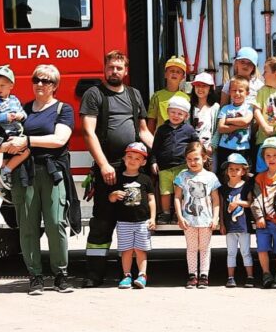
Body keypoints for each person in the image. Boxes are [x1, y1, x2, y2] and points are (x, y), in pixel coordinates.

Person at [81, 50, 153, 288]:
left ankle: (130, 273)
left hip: (132, 168)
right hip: (108, 168)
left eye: (119, 68)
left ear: (126, 71)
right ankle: (94, 274)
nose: (114, 71)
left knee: (131, 221)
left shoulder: (134, 95)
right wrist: (102, 165)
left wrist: (159, 156)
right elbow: (88, 131)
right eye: (111, 67)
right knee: (102, 223)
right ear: (105, 69)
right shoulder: (95, 94)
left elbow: (143, 131)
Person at [1, 64, 75, 295]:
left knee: (56, 224)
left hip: (53, 172)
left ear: (55, 86)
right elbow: (7, 138)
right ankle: (35, 276)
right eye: (36, 80)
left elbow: (59, 140)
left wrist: (28, 142)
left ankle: (61, 275)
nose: (40, 84)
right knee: (27, 226)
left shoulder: (64, 109)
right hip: (24, 173)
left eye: (46, 81)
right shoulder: (22, 110)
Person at [108, 142, 156, 289]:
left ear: (143, 162)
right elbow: (110, 198)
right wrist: (114, 194)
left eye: (137, 158)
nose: (133, 160)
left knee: (141, 250)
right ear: (124, 158)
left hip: (142, 221)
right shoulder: (118, 178)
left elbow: (151, 199)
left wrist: (152, 218)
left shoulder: (145, 179)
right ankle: (126, 275)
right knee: (126, 250)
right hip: (123, 221)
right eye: (129, 157)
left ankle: (142, 275)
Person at [174, 141, 220, 289]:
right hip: (189, 220)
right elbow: (177, 197)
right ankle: (192, 275)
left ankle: (204, 275)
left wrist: (215, 217)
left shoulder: (211, 177)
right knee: (192, 248)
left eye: (196, 159)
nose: (193, 162)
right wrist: (180, 217)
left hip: (206, 220)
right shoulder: (182, 176)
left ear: (204, 158)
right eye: (189, 159)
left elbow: (216, 200)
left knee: (205, 248)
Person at [152, 96, 199, 224]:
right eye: (173, 112)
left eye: (180, 113)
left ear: (186, 116)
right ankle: (166, 213)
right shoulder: (162, 129)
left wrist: (195, 161)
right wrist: (154, 161)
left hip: (182, 166)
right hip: (164, 167)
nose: (176, 115)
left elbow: (196, 144)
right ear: (167, 112)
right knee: (165, 191)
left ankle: (181, 213)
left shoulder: (188, 130)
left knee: (182, 191)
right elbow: (155, 147)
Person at [252, 136, 276, 289]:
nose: (271, 158)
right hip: (264, 221)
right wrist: (259, 217)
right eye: (268, 155)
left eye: (275, 155)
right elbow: (255, 199)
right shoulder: (259, 178)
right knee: (262, 247)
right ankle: (266, 273)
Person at [0, 64, 28, 192]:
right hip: (3, 133)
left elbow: (23, 113)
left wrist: (21, 115)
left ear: (11, 85)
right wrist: (4, 117)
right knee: (25, 151)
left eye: (2, 85)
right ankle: (6, 171)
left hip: (16, 133)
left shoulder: (14, 100)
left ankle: (1, 183)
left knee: (9, 156)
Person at [220, 152, 254, 289]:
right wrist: (221, 224)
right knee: (231, 252)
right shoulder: (223, 189)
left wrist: (238, 203)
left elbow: (250, 203)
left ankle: (250, 277)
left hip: (243, 225)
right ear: (227, 171)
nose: (233, 172)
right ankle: (230, 277)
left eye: (237, 169)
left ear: (243, 171)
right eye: (231, 169)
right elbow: (222, 207)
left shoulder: (246, 186)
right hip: (229, 226)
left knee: (246, 251)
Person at [216, 77, 254, 176]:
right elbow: (220, 128)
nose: (237, 93)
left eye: (240, 91)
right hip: (225, 147)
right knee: (224, 174)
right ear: (229, 92)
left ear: (247, 93)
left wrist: (227, 121)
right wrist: (239, 126)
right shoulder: (225, 108)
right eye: (234, 90)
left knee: (243, 175)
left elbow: (245, 120)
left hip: (243, 148)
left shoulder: (249, 108)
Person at [146, 56, 189, 133]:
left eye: (178, 72)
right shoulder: (157, 96)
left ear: (183, 77)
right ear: (165, 74)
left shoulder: (186, 98)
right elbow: (151, 120)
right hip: (161, 139)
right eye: (171, 71)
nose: (174, 73)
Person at [189, 72, 220, 166]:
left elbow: (218, 129)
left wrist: (212, 147)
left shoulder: (215, 107)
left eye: (204, 86)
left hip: (210, 151)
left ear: (210, 89)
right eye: (197, 85)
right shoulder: (190, 107)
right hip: (193, 151)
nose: (200, 88)